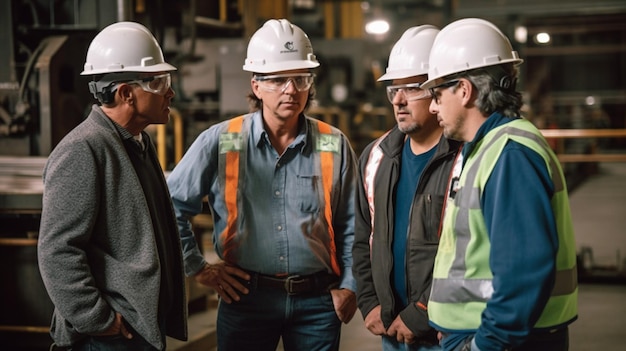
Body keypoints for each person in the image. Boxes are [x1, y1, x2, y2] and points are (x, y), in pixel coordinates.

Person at [166, 18, 358, 351]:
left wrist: (350, 286)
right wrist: (198, 269)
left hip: (317, 303)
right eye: (279, 80)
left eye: (301, 79)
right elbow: (171, 206)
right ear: (256, 85)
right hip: (245, 300)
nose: (292, 90)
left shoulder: (333, 143)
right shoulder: (221, 141)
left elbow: (354, 222)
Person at [421, 18, 578, 351]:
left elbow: (524, 269)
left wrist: (484, 343)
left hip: (509, 342)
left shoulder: (509, 154)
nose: (432, 105)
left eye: (436, 94)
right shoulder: (487, 147)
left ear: (464, 90)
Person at [37, 22, 187, 351]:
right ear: (125, 94)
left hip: (138, 326)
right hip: (107, 336)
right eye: (159, 82)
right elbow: (57, 250)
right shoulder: (83, 149)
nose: (170, 92)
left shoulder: (137, 144)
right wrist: (97, 319)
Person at [353, 25, 462, 351]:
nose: (398, 100)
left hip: (446, 331)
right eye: (393, 89)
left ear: (438, 91)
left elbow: (467, 252)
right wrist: (369, 301)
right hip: (391, 330)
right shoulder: (376, 157)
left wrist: (421, 313)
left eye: (412, 88)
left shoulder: (464, 158)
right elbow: (361, 237)